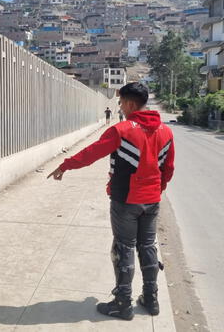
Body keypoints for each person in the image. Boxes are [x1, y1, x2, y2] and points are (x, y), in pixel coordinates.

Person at [48, 82, 175, 320]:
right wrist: (157, 190)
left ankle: (122, 303)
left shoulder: (122, 130)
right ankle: (151, 298)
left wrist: (65, 165)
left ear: (129, 103)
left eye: (121, 103)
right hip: (152, 200)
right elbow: (168, 169)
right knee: (147, 246)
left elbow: (91, 153)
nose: (121, 108)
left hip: (125, 200)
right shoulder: (166, 132)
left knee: (124, 247)